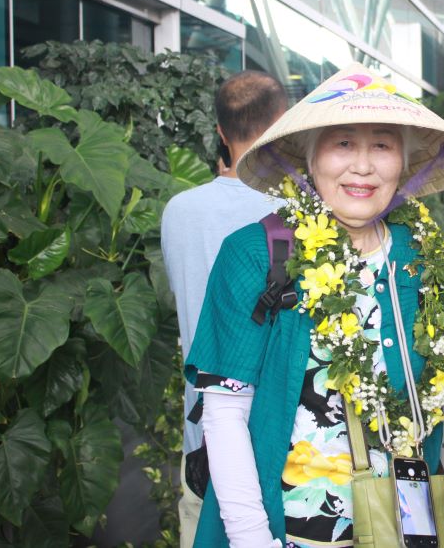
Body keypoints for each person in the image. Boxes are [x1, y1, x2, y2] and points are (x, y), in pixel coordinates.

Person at [184, 64, 444, 547]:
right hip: (290, 532)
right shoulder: (255, 253)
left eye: (382, 145)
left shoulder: (419, 255)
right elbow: (224, 414)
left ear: (403, 162)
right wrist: (253, 539)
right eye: (343, 143)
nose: (362, 166)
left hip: (403, 527)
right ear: (309, 156)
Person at [162, 70, 288, 547]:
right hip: (283, 443)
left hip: (203, 441)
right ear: (285, 123)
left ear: (220, 131)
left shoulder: (179, 210)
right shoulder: (299, 215)